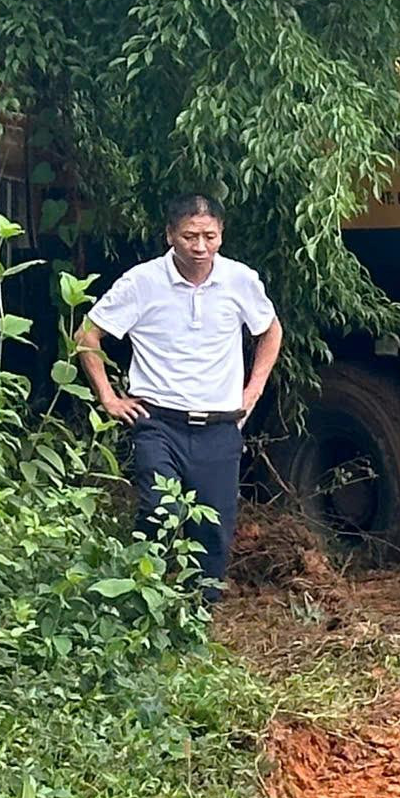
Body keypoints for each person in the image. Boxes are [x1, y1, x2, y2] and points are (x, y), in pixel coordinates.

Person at [77, 194, 282, 605]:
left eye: (209, 236)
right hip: (158, 422)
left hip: (220, 425)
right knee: (159, 510)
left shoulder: (239, 279)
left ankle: (198, 619)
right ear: (170, 235)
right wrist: (109, 398)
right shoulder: (142, 282)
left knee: (214, 531)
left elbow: (270, 330)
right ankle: (140, 606)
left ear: (221, 234)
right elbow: (87, 334)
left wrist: (254, 389)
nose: (200, 246)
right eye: (190, 236)